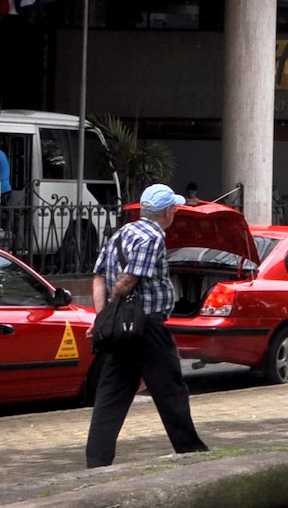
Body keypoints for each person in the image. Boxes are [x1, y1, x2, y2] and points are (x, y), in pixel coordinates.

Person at [85, 183, 209, 468]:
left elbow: (98, 276)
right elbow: (128, 280)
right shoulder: (153, 236)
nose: (175, 213)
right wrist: (118, 303)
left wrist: (103, 316)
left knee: (112, 394)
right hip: (147, 326)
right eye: (174, 209)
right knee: (170, 389)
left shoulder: (120, 233)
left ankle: (97, 460)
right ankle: (191, 449)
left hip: (122, 331)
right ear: (167, 212)